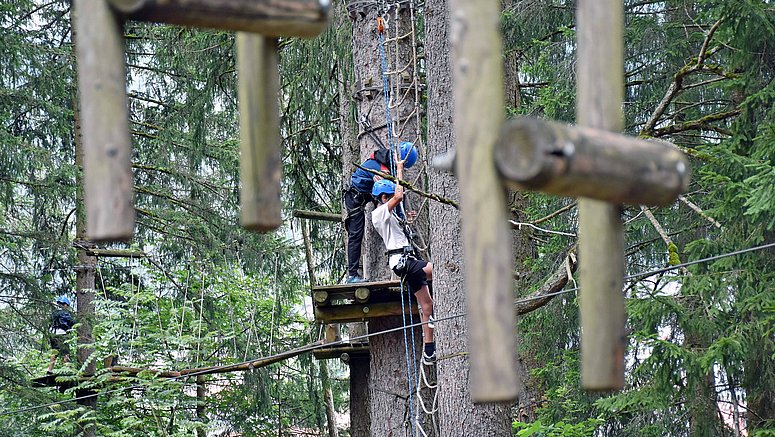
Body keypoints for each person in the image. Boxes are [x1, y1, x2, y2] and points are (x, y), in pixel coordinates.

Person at [371, 179, 435, 364]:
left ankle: (429, 351)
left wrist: (407, 220)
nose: (394, 200)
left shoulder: (391, 217)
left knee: (426, 305)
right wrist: (399, 170)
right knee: (440, 270)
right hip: (403, 262)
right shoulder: (379, 213)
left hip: (407, 262)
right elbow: (399, 195)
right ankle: (436, 317)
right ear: (383, 198)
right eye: (389, 197)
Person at [344, 141, 418, 283]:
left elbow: (391, 200)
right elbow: (396, 197)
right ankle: (352, 275)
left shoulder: (385, 160)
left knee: (386, 212)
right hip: (354, 196)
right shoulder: (380, 168)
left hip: (368, 193)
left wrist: (403, 219)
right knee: (356, 233)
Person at [47, 295, 75, 373]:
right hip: (62, 334)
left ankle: (49, 370)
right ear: (65, 304)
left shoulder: (54, 313)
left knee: (54, 352)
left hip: (52, 334)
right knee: (65, 353)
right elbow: (71, 323)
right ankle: (65, 370)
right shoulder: (65, 314)